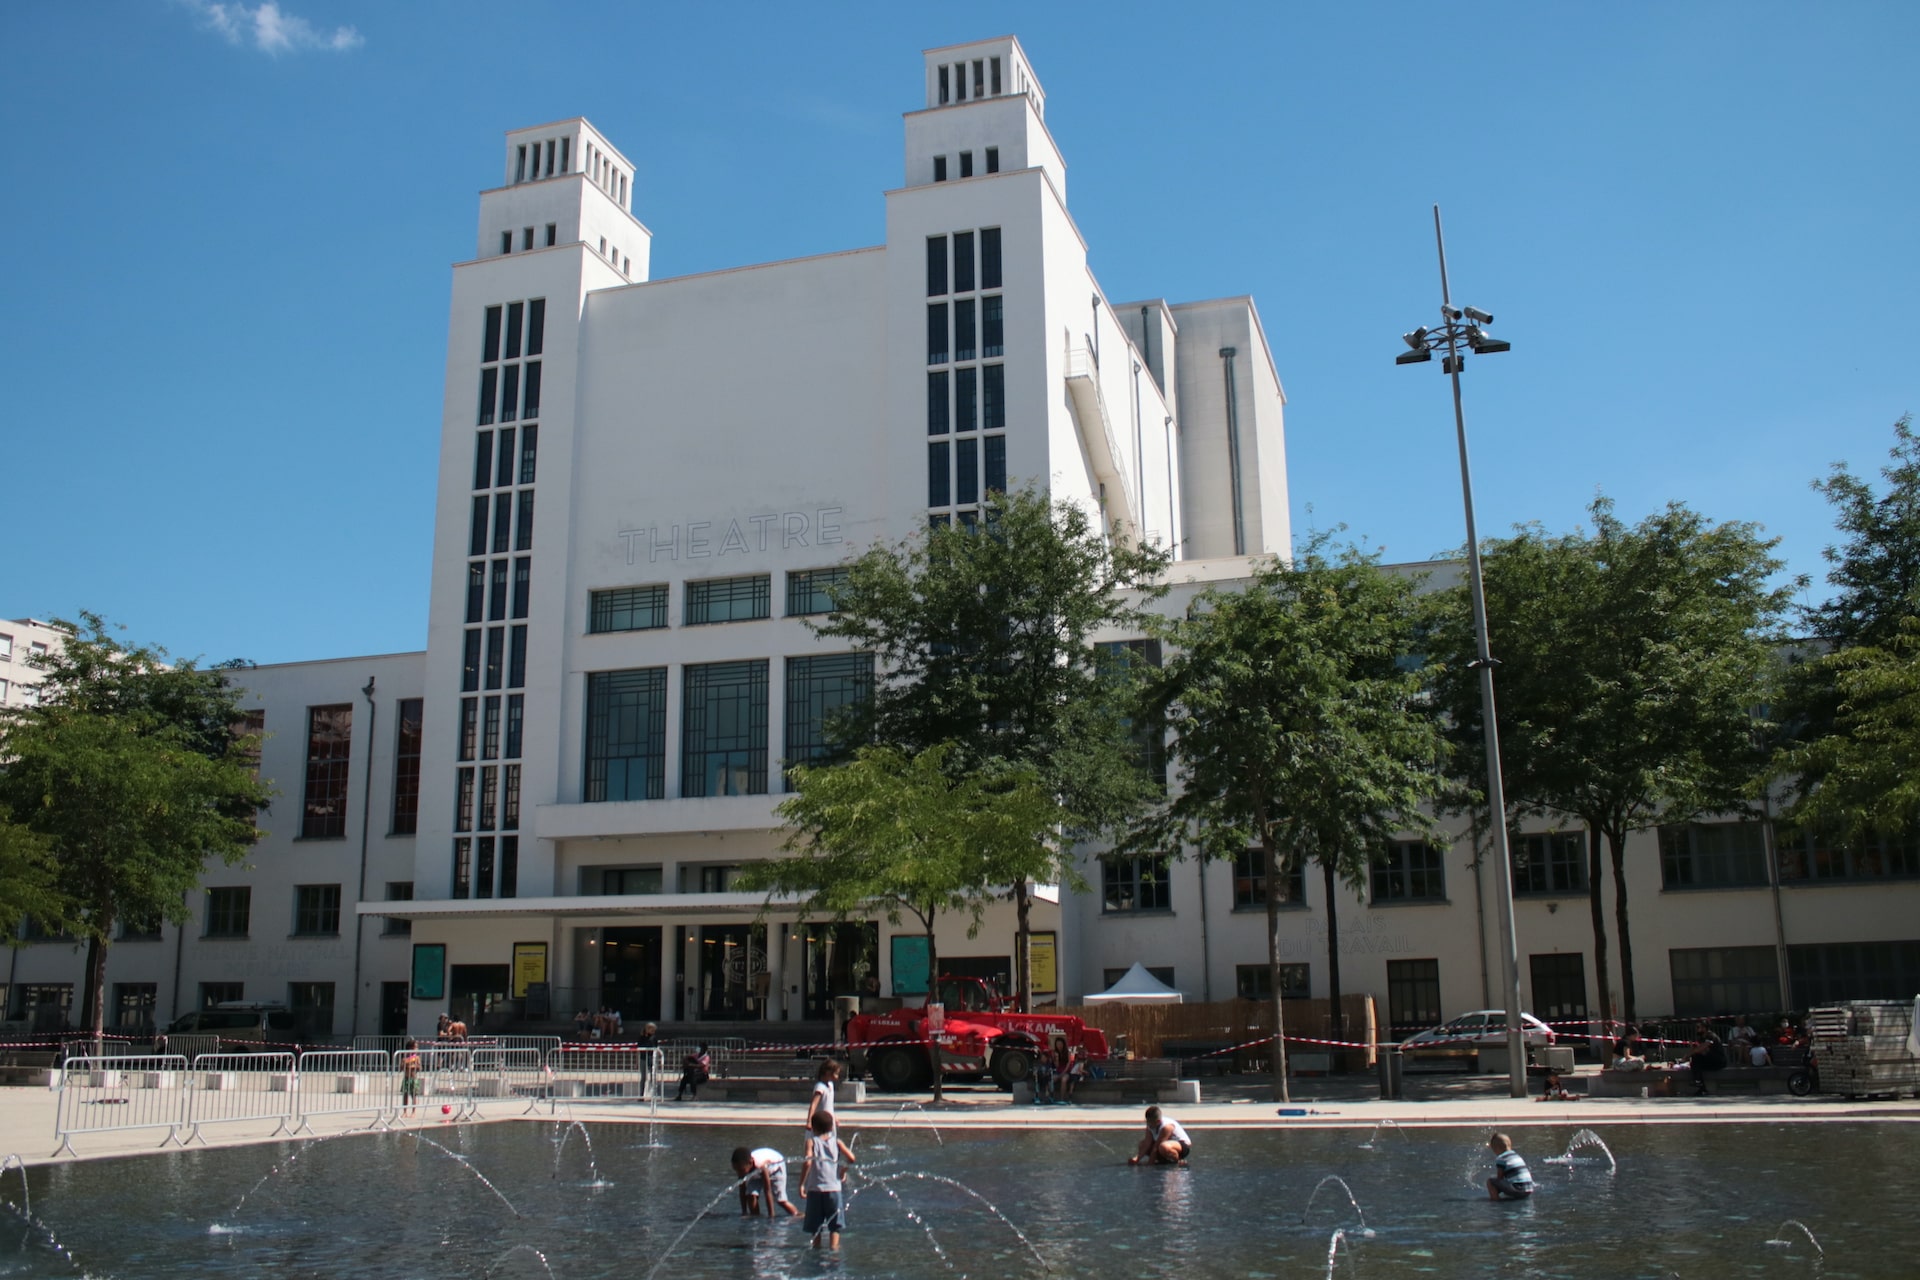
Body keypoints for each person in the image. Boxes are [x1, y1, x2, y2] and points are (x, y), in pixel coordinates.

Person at [801, 1109, 856, 1250]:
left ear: (813, 1128)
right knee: (835, 1227)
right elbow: (851, 1158)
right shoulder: (837, 1142)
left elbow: (807, 1162)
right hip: (834, 1190)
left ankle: (816, 1249)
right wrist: (842, 1172)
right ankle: (834, 1251)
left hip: (815, 1190)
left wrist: (802, 1183)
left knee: (815, 1227)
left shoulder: (811, 1142)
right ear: (832, 1127)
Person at [732, 1145, 799, 1218]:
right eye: (736, 1170)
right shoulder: (742, 1169)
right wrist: (744, 1212)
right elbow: (742, 1190)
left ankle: (798, 1215)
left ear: (750, 1163)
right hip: (756, 1172)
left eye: (741, 1170)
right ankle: (755, 1218)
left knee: (780, 1200)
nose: (739, 1173)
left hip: (776, 1168)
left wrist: (771, 1216)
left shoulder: (761, 1165)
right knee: (751, 1195)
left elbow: (767, 1191)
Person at [1486, 1132, 1534, 1201]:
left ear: (1496, 1148)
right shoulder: (1516, 1156)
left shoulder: (1501, 1158)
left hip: (1517, 1189)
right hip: (1529, 1189)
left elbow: (1500, 1177)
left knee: (1490, 1181)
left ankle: (1495, 1200)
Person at [1687, 1025, 1728, 1095]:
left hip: (1718, 1061)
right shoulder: (1701, 1038)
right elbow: (1697, 1051)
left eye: (1698, 1028)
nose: (1697, 1030)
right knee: (1696, 1061)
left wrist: (1686, 1056)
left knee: (1696, 1057)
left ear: (1704, 1028)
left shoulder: (1711, 1036)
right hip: (1710, 1060)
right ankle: (1701, 1086)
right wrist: (1692, 1047)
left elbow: (1701, 1049)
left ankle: (1698, 1081)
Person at [807, 1059, 841, 1131]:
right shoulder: (820, 1087)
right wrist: (809, 1121)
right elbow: (813, 1105)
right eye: (836, 1074)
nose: (837, 1077)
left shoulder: (830, 1085)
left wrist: (834, 1117)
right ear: (827, 1072)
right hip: (820, 1122)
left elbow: (829, 1106)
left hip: (829, 1121)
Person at [400, 1040, 423, 1117]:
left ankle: (413, 1112)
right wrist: (403, 1065)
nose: (416, 1049)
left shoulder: (416, 1058)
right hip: (406, 1078)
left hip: (413, 1078)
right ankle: (405, 1111)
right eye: (414, 1047)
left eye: (417, 1047)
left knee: (413, 1096)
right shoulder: (405, 1058)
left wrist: (414, 1066)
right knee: (405, 1095)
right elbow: (401, 1068)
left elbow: (420, 1068)